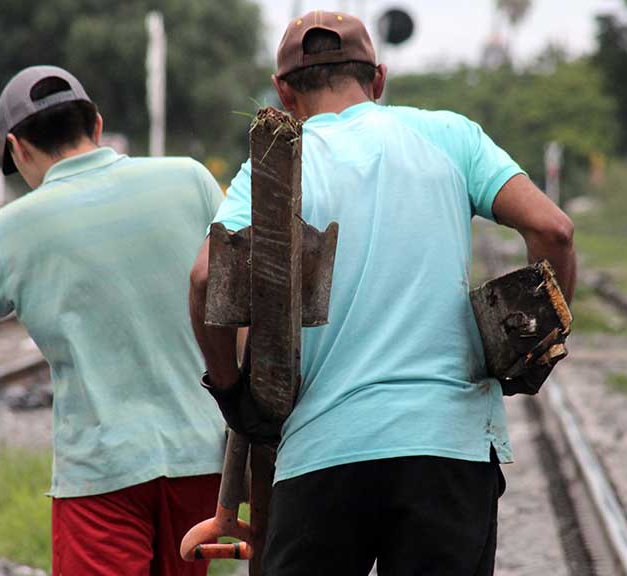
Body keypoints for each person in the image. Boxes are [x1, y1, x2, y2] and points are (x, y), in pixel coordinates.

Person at [189, 11, 576, 575]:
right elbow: (554, 230)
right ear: (379, 79)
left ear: (282, 91)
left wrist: (231, 392)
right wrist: (536, 342)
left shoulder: (275, 163)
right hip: (449, 449)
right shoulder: (451, 135)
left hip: (323, 452)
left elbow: (204, 278)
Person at [0, 66, 227, 576]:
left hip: (101, 477)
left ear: (17, 148)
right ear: (97, 125)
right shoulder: (191, 179)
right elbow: (243, 304)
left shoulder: (10, 230)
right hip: (203, 463)